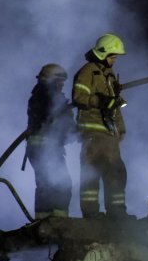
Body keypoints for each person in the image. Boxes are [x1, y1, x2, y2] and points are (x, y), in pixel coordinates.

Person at [72, 33, 129, 218]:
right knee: (91, 173)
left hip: (109, 134)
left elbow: (115, 106)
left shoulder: (109, 75)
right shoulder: (87, 72)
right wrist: (100, 100)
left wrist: (121, 127)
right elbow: (79, 98)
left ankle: (117, 212)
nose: (115, 61)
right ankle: (91, 214)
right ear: (103, 54)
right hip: (92, 132)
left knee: (116, 173)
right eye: (113, 57)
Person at [25, 63, 76, 219]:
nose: (62, 85)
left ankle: (47, 221)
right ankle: (55, 222)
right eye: (59, 81)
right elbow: (52, 119)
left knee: (49, 185)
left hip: (47, 148)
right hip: (44, 149)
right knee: (58, 184)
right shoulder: (43, 97)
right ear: (52, 80)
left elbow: (62, 126)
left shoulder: (42, 96)